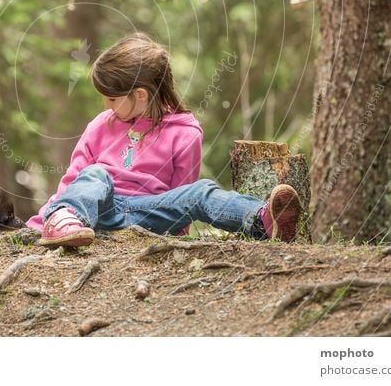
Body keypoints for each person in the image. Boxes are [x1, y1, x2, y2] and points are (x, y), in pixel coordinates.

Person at [26, 32, 302, 247]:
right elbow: (75, 181)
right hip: (100, 211)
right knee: (95, 174)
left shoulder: (185, 133)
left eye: (112, 98)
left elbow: (180, 193)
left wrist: (173, 237)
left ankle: (263, 220)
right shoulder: (101, 125)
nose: (106, 104)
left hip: (152, 213)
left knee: (201, 191)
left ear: (141, 95)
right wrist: (42, 220)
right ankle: (61, 222)